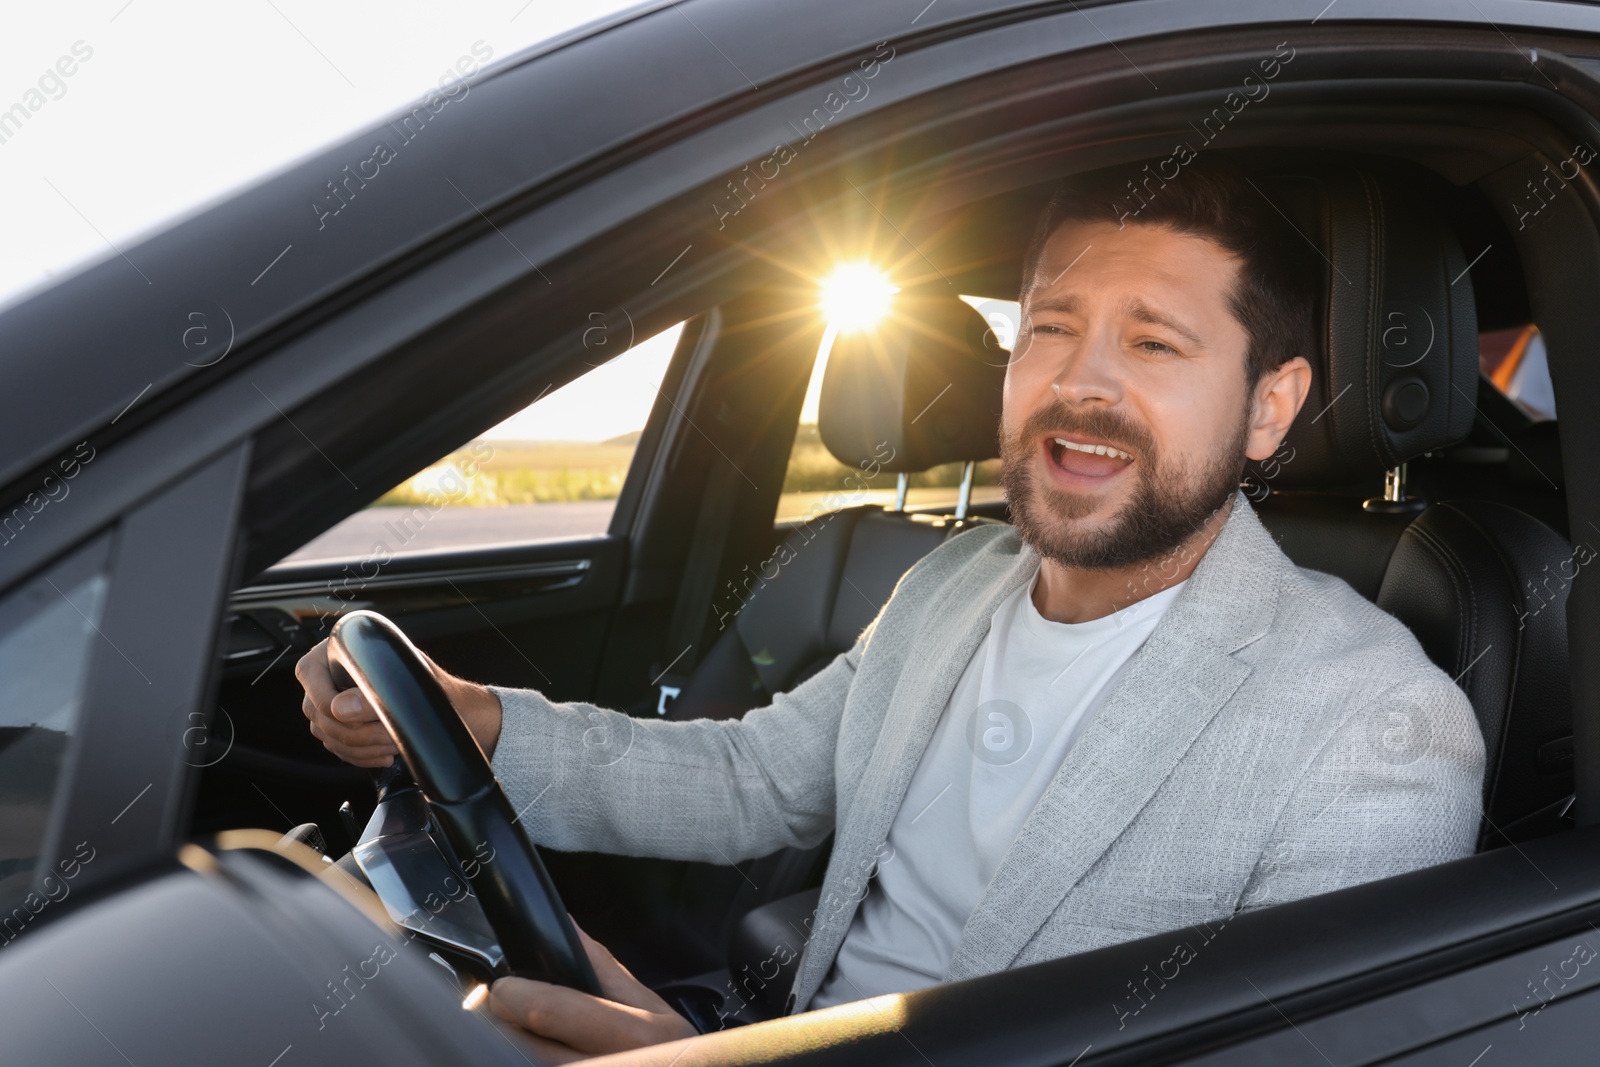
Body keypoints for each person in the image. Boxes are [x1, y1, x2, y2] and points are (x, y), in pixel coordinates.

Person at [297, 162, 1485, 1060]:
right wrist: (482, 720)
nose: (1079, 381)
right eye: (1051, 328)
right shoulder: (952, 581)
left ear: (1270, 407)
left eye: (1156, 341)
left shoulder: (1374, 728)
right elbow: (754, 780)